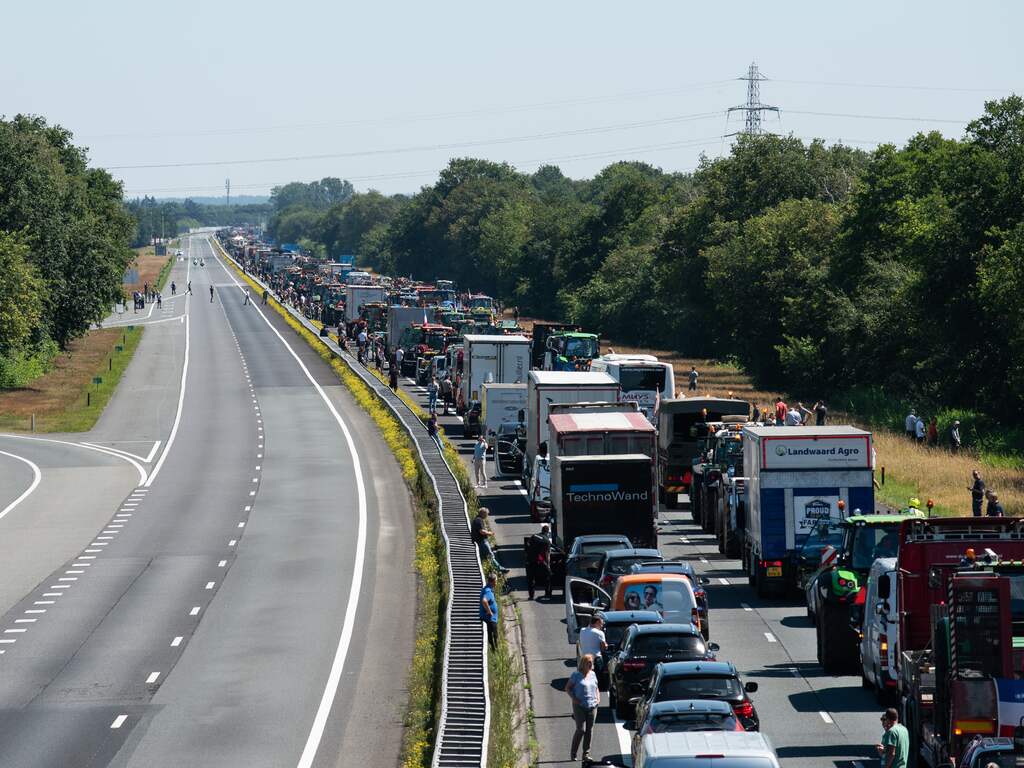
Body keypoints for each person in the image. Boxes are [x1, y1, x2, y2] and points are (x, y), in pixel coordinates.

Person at [564, 654, 599, 764]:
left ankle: (586, 754)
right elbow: (567, 688)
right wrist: (573, 698)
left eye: (591, 663)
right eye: (588, 662)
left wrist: (598, 699)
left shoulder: (593, 674)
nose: (590, 664)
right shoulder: (576, 675)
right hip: (579, 705)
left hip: (592, 705)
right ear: (583, 664)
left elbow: (596, 688)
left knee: (590, 729)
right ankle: (573, 752)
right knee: (581, 729)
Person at [471, 507, 508, 573]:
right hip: (482, 541)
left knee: (482, 558)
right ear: (483, 514)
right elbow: (481, 531)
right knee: (490, 555)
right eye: (486, 514)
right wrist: (489, 533)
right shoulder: (479, 520)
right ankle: (499, 568)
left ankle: (487, 571)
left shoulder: (476, 519)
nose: (487, 516)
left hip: (478, 541)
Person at [525, 523, 553, 600]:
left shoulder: (534, 536)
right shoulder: (547, 541)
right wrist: (548, 565)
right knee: (548, 575)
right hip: (540, 561)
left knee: (531, 579)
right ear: (547, 532)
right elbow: (547, 554)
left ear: (541, 530)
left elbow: (528, 545)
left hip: (530, 561)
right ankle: (547, 594)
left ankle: (531, 596)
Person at [480, 573, 499, 651]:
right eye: (496, 581)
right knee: (494, 636)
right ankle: (495, 651)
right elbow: (484, 601)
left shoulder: (487, 589)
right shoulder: (488, 591)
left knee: (492, 636)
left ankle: (494, 650)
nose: (496, 583)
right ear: (492, 582)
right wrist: (489, 611)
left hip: (489, 618)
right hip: (490, 618)